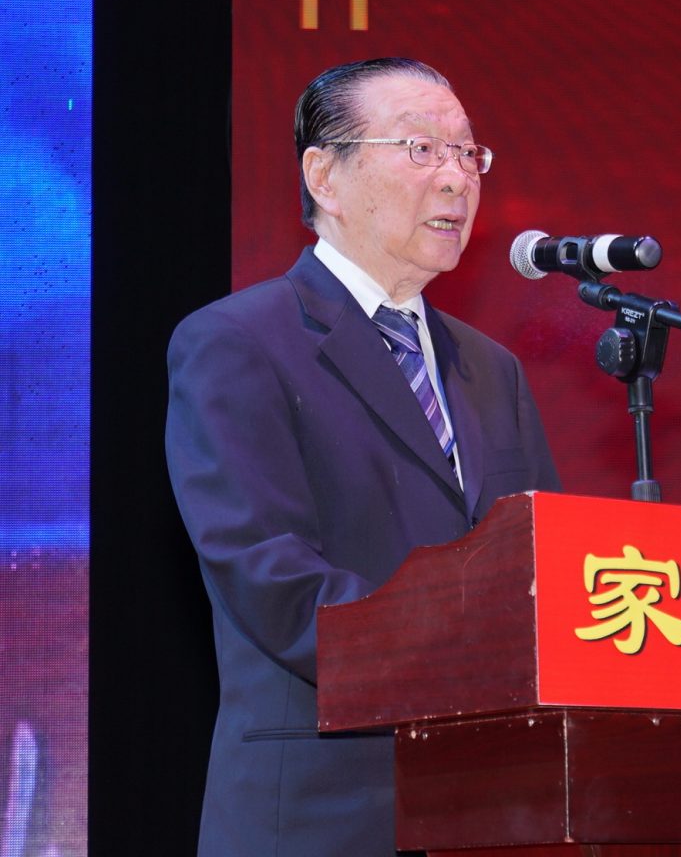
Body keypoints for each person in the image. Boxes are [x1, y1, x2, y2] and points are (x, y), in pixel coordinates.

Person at [165, 57, 560, 856]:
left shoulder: (492, 370)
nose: (455, 178)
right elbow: (268, 573)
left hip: (489, 812)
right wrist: (467, 655)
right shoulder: (238, 342)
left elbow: (538, 568)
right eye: (421, 150)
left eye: (467, 153)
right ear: (325, 177)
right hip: (322, 811)